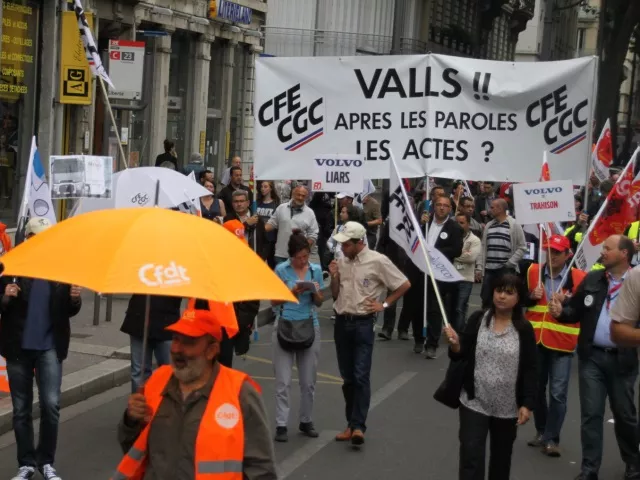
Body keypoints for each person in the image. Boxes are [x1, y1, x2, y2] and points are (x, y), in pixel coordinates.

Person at [115, 306, 277, 480]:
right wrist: (130, 420)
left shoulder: (240, 393)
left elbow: (262, 470)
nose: (177, 349)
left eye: (188, 342)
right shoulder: (157, 382)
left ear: (211, 350)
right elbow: (133, 448)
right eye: (175, 339)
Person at [548, 235, 640, 480]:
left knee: (625, 414)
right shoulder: (593, 279)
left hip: (623, 360)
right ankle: (589, 469)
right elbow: (574, 311)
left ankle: (633, 463)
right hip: (592, 358)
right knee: (591, 414)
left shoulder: (637, 281)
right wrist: (560, 312)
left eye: (607, 248)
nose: (602, 252)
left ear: (624, 254)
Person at [0, 217, 83, 480]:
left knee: (51, 405)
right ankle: (26, 463)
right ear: (29, 239)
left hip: (50, 346)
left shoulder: (61, 268)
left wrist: (75, 299)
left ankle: (46, 461)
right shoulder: (11, 266)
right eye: (38, 237)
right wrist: (5, 296)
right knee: (21, 409)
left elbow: (68, 311)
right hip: (18, 347)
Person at [443, 273, 536, 480]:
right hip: (475, 401)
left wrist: (527, 404)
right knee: (470, 455)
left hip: (507, 407)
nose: (502, 296)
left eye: (509, 292)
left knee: (501, 461)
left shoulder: (524, 329)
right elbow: (461, 352)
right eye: (499, 290)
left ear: (518, 298)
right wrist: (456, 343)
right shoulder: (478, 319)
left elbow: (531, 368)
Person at [328, 221, 410, 446]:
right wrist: (334, 276)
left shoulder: (378, 260)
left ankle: (358, 427)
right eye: (341, 244)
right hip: (342, 322)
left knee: (360, 375)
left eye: (346, 244)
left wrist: (384, 305)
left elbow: (403, 284)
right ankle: (350, 423)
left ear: (359, 242)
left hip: (363, 324)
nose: (342, 248)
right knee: (347, 378)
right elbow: (335, 295)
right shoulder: (342, 262)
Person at [523, 235, 586, 457]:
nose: (551, 256)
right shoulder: (532, 272)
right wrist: (530, 296)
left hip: (562, 343)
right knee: (537, 390)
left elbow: (584, 311)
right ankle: (542, 432)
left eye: (557, 252)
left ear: (568, 255)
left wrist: (567, 303)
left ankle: (552, 438)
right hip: (535, 341)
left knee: (558, 393)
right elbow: (519, 298)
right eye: (549, 251)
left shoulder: (579, 278)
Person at [271, 232, 323, 442]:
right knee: (283, 381)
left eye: (306, 256)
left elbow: (319, 302)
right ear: (291, 256)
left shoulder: (315, 270)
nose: (303, 261)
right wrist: (291, 291)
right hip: (285, 323)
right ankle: (281, 424)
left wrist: (314, 292)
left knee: (308, 381)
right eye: (300, 257)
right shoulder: (281, 270)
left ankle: (306, 419)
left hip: (309, 323)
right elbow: (274, 301)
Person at [412, 195, 463, 358]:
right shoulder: (425, 224)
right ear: (434, 206)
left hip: (439, 274)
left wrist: (434, 253)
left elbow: (457, 250)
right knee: (418, 307)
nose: (441, 208)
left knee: (434, 309)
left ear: (450, 209)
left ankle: (432, 344)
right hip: (421, 272)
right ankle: (419, 339)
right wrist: (421, 224)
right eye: (439, 204)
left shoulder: (454, 228)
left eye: (445, 205)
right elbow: (414, 241)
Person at [120, 294, 182, 393]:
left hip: (167, 322)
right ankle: (139, 405)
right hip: (140, 318)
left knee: (169, 371)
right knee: (139, 373)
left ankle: (167, 405)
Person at [221, 219, 262, 366]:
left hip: (233, 326)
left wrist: (241, 323)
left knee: (224, 370)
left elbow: (253, 300)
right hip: (213, 327)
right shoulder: (211, 261)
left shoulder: (248, 263)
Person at [477, 198, 527, 308]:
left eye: (492, 207)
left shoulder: (514, 224)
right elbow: (483, 247)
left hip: (506, 270)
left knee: (506, 300)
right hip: (489, 269)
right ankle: (486, 323)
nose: (490, 210)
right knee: (486, 299)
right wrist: (480, 267)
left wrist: (510, 263)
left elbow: (522, 247)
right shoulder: (489, 225)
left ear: (500, 209)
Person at [266, 185, 319, 265]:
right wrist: (258, 228)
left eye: (303, 196)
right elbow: (271, 223)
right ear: (293, 194)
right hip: (281, 254)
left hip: (298, 257)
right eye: (298, 194)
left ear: (306, 197)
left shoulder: (310, 213)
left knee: (297, 278)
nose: (300, 197)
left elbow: (313, 235)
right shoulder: (281, 208)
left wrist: (303, 249)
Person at [453, 212, 481, 332]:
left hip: (465, 278)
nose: (459, 225)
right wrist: (462, 254)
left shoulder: (474, 240)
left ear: (468, 224)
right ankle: (453, 328)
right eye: (457, 222)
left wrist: (452, 255)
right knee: (450, 306)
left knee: (460, 306)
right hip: (451, 277)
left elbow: (471, 257)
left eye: (462, 223)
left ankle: (460, 331)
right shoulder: (451, 237)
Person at [256, 181, 280, 269]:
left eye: (265, 186)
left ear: (271, 188)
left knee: (272, 265)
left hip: (271, 239)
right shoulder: (257, 203)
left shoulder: (276, 204)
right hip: (259, 238)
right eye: (261, 186)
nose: (263, 189)